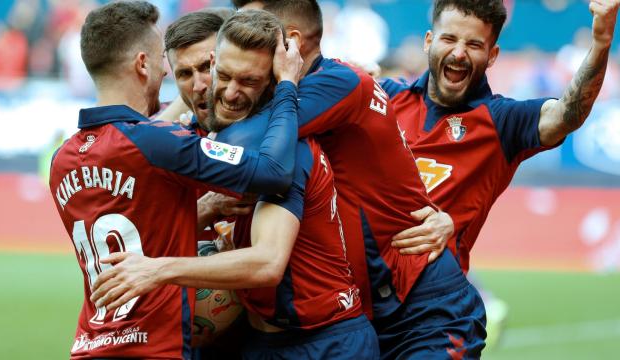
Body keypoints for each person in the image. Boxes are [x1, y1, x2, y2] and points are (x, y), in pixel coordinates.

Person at [91, 10, 379, 359]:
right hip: (254, 342)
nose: (228, 93)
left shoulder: (286, 150)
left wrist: (160, 270)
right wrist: (203, 211)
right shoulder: (192, 140)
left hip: (323, 341)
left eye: (248, 82)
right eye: (221, 76)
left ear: (271, 81)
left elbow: (268, 263)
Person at [228, 1, 485, 358]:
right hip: (371, 306)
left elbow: (236, 146)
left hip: (422, 304)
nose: (235, 46)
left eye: (252, 31)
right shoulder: (330, 83)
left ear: (290, 42)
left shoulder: (335, 83)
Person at [48, 1, 301, 358]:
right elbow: (272, 172)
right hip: (153, 346)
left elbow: (142, 228)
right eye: (162, 62)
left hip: (91, 343)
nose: (165, 75)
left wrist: (201, 209)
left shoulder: (63, 158)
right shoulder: (156, 141)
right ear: (141, 64)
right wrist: (288, 83)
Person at [381, 0, 619, 355]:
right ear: (428, 41)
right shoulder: (383, 102)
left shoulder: (500, 121)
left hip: (435, 317)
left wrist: (600, 44)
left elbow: (566, 115)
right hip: (362, 312)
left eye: (474, 45)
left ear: (492, 55)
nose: (459, 54)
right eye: (449, 39)